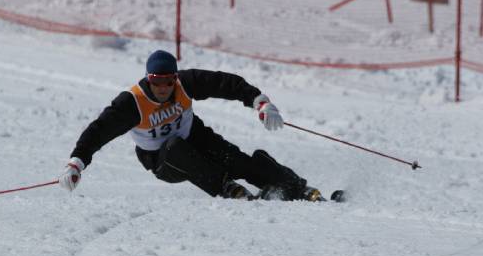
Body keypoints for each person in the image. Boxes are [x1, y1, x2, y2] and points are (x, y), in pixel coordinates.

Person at [58, 50, 324, 201]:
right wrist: (76, 163)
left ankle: (295, 187)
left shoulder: (185, 83)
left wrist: (259, 102)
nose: (163, 87)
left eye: (168, 81)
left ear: (175, 78)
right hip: (162, 160)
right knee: (176, 147)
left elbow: (225, 83)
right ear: (148, 79)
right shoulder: (132, 103)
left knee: (237, 161)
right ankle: (226, 186)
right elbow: (98, 131)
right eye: (156, 81)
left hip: (195, 136)